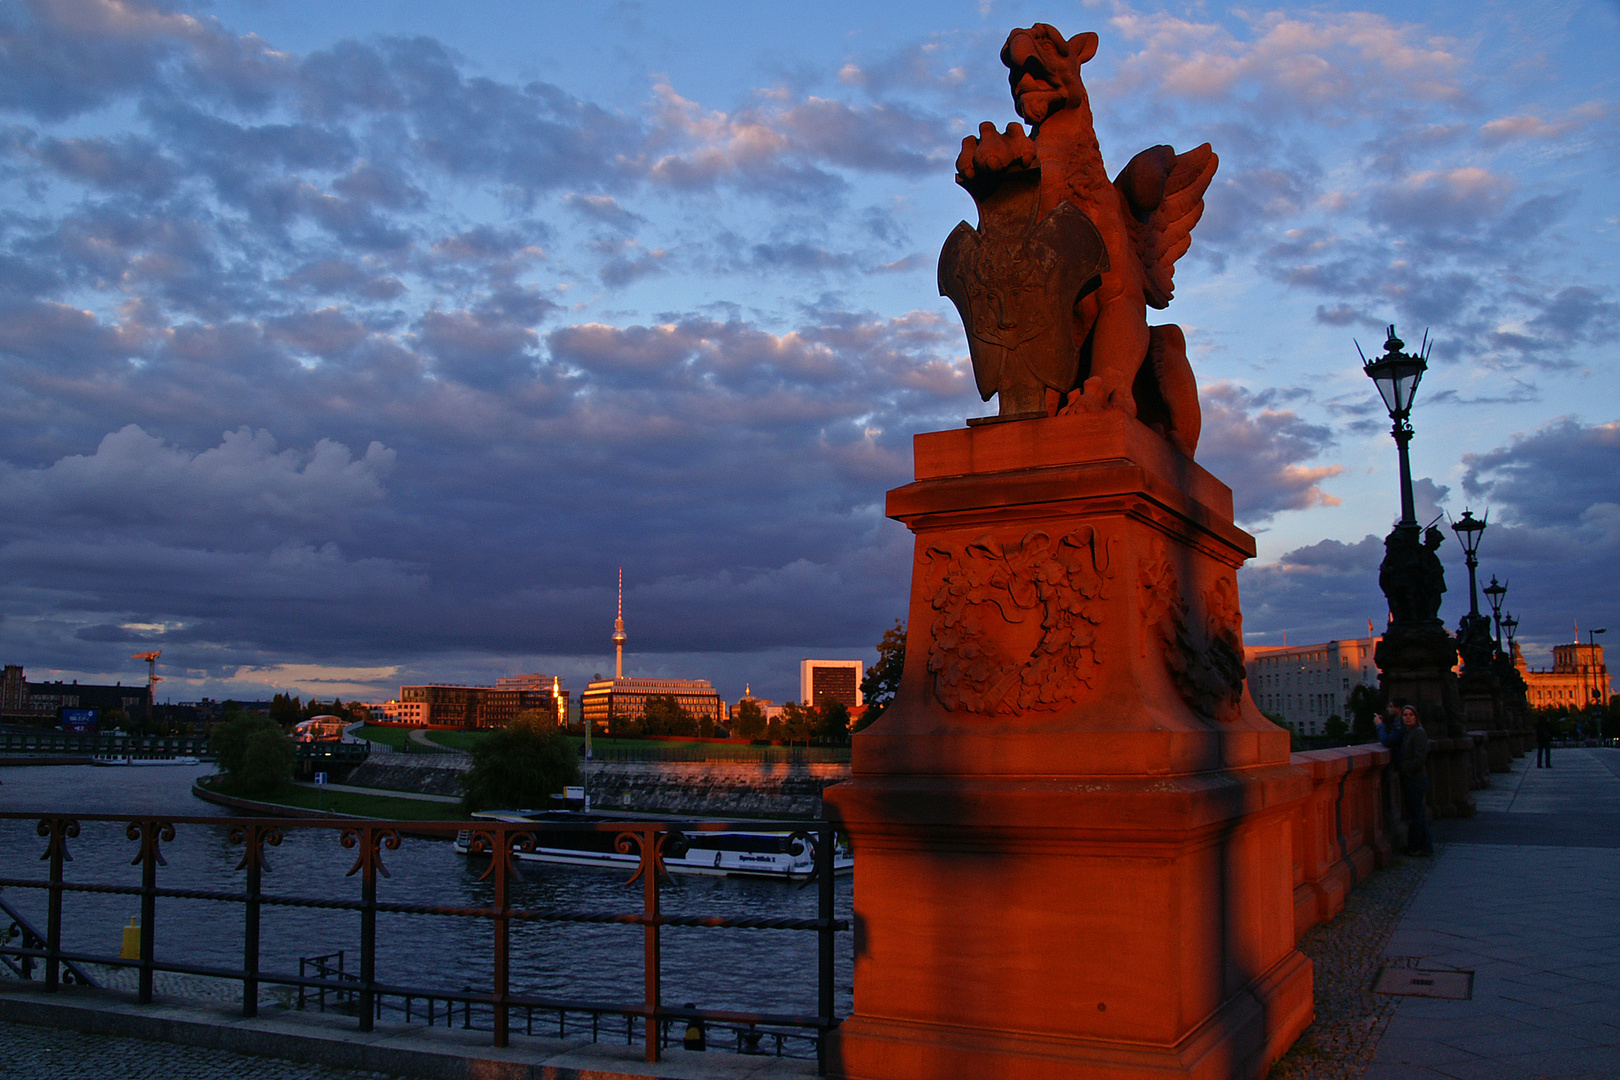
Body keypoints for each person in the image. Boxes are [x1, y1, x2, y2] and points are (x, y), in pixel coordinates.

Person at [1399, 703, 1433, 856]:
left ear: (1416, 717)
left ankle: (1421, 846)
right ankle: (1421, 846)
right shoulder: (1409, 732)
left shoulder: (1418, 732)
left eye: (1410, 715)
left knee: (1417, 815)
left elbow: (1420, 758)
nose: (1407, 717)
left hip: (1416, 779)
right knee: (1417, 814)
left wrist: (1405, 769)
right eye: (1405, 715)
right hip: (1414, 778)